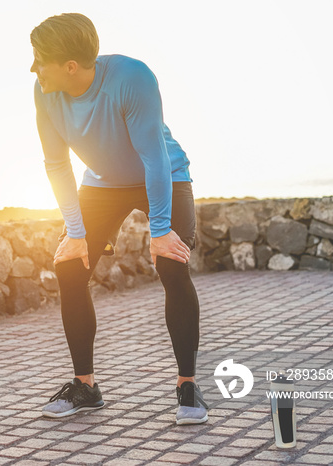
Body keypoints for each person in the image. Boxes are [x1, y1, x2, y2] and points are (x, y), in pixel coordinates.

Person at [30, 13, 208, 425]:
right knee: (70, 267)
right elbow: (56, 165)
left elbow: (153, 157)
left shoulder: (132, 77)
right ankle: (86, 387)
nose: (33, 67)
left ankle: (187, 385)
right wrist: (75, 233)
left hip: (163, 173)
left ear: (70, 66)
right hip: (103, 183)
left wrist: (161, 231)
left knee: (172, 263)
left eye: (39, 59)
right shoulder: (44, 92)